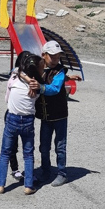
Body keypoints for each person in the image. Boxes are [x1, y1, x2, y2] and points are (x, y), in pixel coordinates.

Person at [33, 40, 81, 187]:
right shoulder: (40, 68)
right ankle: (45, 169)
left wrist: (40, 87)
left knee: (60, 146)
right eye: (52, 56)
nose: (55, 59)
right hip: (46, 115)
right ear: (44, 55)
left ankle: (62, 173)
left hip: (59, 115)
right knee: (44, 146)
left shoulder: (60, 71)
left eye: (57, 56)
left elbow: (55, 87)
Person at [0, 53, 44, 195]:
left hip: (12, 118)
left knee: (5, 153)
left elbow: (7, 98)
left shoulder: (14, 79)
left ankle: (0, 185)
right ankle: (28, 185)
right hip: (28, 121)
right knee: (28, 154)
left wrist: (23, 76)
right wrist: (30, 80)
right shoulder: (37, 86)